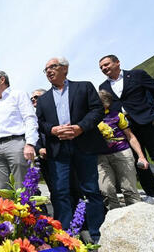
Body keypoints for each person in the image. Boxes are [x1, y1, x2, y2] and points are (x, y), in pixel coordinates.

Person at [36, 57, 107, 242]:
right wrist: (52, 129)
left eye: (53, 67)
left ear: (65, 69)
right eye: (46, 69)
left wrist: (79, 128)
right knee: (60, 192)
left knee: (90, 189)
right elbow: (40, 123)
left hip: (83, 144)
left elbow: (97, 110)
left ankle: (96, 234)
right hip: (58, 150)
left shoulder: (84, 87)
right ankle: (66, 236)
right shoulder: (43, 100)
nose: (49, 71)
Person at [98, 54, 154, 202]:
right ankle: (152, 194)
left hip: (148, 122)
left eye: (106, 64)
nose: (104, 68)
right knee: (137, 161)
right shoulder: (103, 87)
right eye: (101, 67)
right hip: (126, 128)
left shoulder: (137, 75)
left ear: (117, 62)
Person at [0, 70, 39, 190]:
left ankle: (25, 209)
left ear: (2, 80)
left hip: (16, 144)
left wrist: (30, 144)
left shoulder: (18, 95)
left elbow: (30, 118)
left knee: (22, 188)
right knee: (3, 191)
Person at [97, 89, 148, 209]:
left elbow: (131, 136)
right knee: (106, 190)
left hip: (122, 152)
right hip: (100, 157)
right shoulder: (90, 118)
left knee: (129, 188)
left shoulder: (118, 116)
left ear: (106, 103)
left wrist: (141, 156)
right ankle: (113, 218)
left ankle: (136, 216)